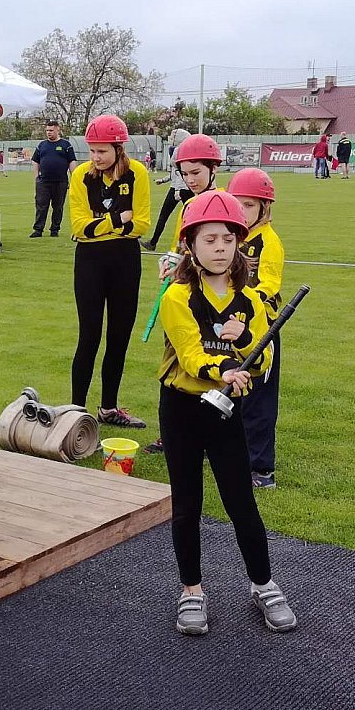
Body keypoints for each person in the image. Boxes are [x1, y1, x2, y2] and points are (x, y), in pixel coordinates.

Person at [156, 189, 295, 637]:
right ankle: (191, 590)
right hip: (182, 408)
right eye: (210, 239)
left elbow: (264, 358)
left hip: (225, 412)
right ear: (190, 245)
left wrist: (244, 341)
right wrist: (226, 368)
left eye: (228, 239)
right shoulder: (177, 296)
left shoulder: (250, 301)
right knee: (187, 505)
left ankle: (263, 584)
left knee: (241, 503)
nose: (220, 248)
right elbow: (190, 354)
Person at [142, 134, 226, 455]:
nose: (190, 180)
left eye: (196, 172)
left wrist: (188, 265)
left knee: (202, 363)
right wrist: (170, 261)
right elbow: (180, 245)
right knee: (174, 365)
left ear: (213, 169)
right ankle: (173, 434)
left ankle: (204, 434)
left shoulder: (223, 204)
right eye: (185, 173)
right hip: (180, 296)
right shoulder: (188, 205)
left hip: (208, 299)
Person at [69, 113, 151, 428]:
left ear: (118, 148)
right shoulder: (81, 176)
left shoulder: (137, 173)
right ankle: (75, 412)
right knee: (89, 336)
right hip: (90, 261)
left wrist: (99, 224)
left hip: (125, 260)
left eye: (102, 151)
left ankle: (108, 408)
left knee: (119, 337)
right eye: (92, 150)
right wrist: (118, 219)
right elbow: (79, 227)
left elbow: (140, 224)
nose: (96, 157)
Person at [227, 168, 286, 488]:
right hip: (229, 326)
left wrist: (244, 309)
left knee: (257, 399)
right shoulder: (231, 236)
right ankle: (226, 451)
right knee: (226, 388)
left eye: (249, 205)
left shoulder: (268, 242)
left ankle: (261, 468)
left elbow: (268, 285)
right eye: (237, 204)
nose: (242, 211)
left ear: (265, 208)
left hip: (260, 329)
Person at [144, 133, 192, 251]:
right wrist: (163, 180)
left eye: (173, 136)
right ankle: (154, 242)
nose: (170, 138)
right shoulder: (184, 149)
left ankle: (153, 243)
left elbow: (180, 172)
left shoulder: (178, 150)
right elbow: (175, 173)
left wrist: (177, 190)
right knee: (189, 217)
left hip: (180, 188)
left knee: (165, 215)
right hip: (184, 188)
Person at [30, 119, 75, 237]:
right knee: (41, 206)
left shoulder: (66, 145)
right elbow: (35, 161)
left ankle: (55, 230)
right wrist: (36, 177)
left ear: (57, 130)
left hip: (60, 182)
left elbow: (71, 161)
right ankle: (38, 230)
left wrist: (74, 178)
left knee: (58, 207)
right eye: (47, 130)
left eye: (51, 130)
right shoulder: (42, 145)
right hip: (43, 182)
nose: (48, 132)